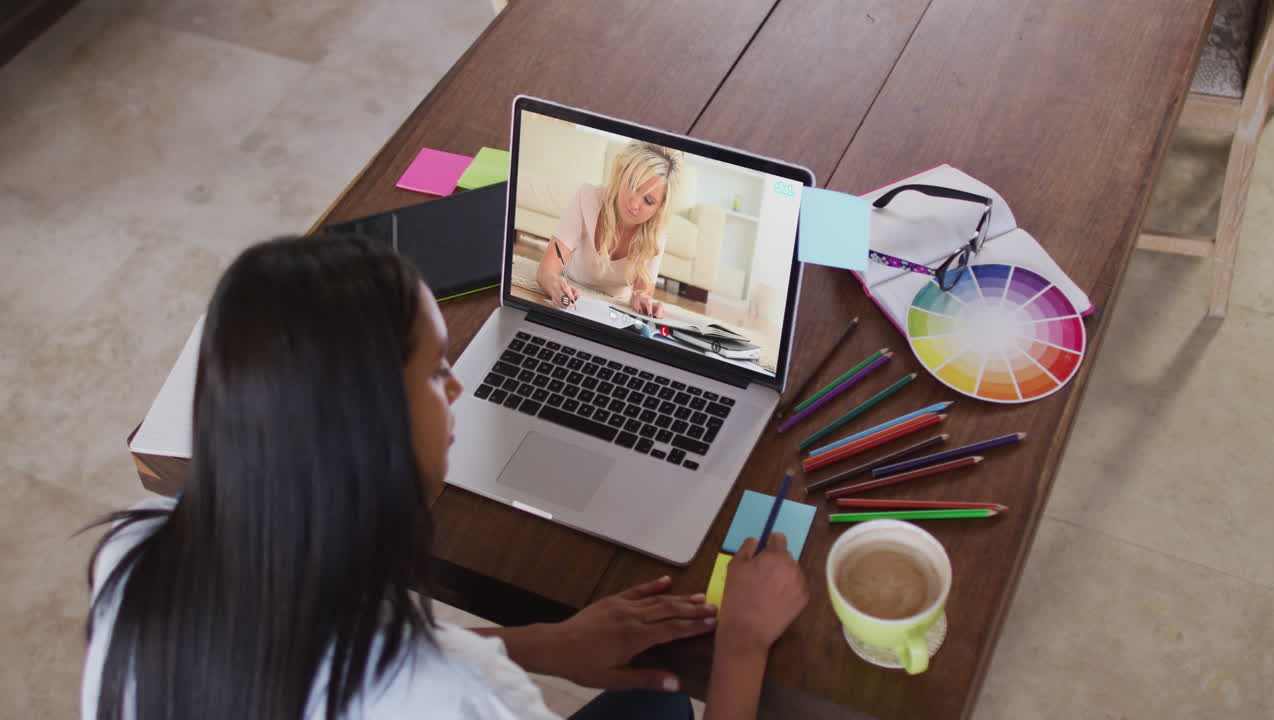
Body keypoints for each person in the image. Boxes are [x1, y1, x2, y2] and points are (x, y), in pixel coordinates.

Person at [82, 234, 808, 720]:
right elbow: (423, 681)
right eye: (435, 370)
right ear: (371, 430)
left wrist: (545, 645)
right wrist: (741, 644)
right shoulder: (453, 700)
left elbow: (329, 656)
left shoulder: (136, 556)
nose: (458, 386)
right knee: (669, 701)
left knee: (649, 702)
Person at [536, 141, 680, 319]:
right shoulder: (587, 197)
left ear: (659, 208)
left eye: (648, 201)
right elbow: (546, 270)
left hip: (611, 308)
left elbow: (641, 293)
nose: (634, 204)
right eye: (632, 185)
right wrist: (553, 283)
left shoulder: (656, 233)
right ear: (621, 173)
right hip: (572, 287)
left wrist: (643, 302)